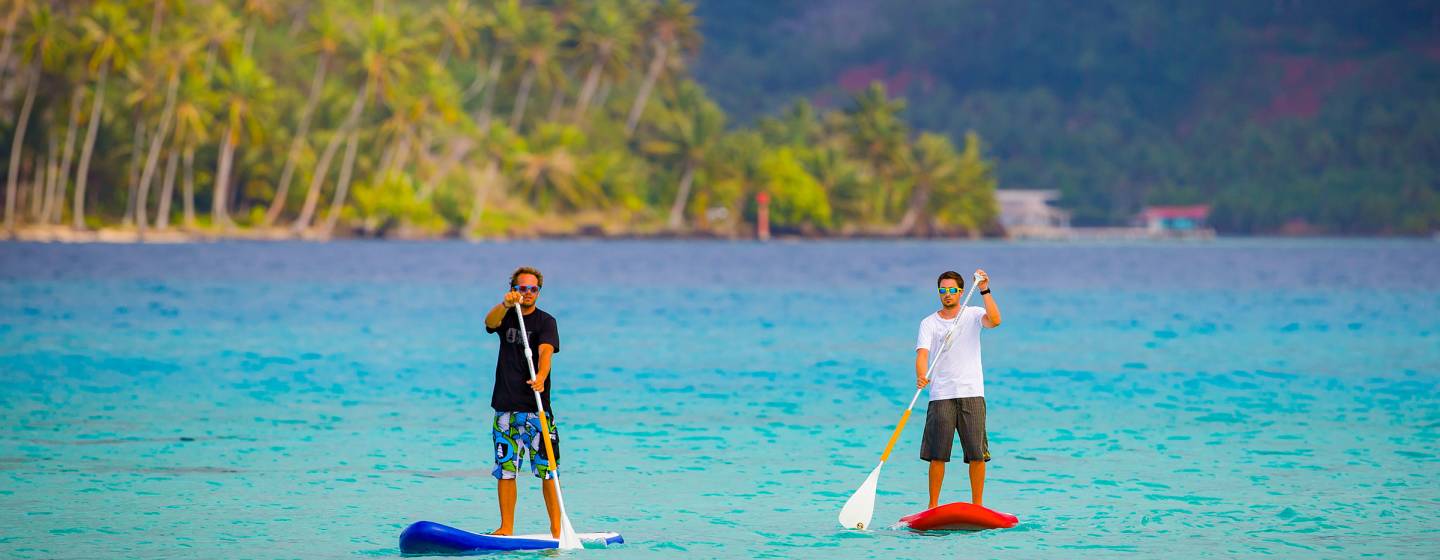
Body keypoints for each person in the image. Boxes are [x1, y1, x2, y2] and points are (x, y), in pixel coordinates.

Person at [482, 266, 563, 537]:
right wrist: (505, 304)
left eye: (533, 289)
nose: (527, 293)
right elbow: (489, 323)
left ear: (538, 291)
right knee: (506, 470)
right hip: (505, 408)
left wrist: (540, 376)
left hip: (536, 411)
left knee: (548, 471)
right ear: (513, 290)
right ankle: (506, 528)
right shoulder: (506, 315)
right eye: (522, 288)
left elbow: (545, 351)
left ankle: (556, 530)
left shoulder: (546, 322)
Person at [915, 269, 1001, 508]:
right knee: (937, 455)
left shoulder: (973, 314)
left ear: (961, 292)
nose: (947, 295)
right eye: (943, 290)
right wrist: (921, 375)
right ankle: (932, 506)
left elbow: (995, 320)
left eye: (952, 290)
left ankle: (978, 506)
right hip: (941, 395)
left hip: (971, 392)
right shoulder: (929, 323)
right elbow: (922, 354)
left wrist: (985, 289)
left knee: (976, 454)